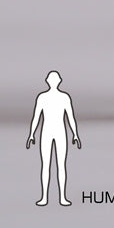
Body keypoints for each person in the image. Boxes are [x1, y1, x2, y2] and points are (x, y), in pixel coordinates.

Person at [26, 70, 81, 205]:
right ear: (49, 81)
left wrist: (75, 134)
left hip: (59, 132)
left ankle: (62, 197)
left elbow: (70, 118)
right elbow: (36, 117)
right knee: (46, 165)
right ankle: (44, 197)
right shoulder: (42, 97)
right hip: (47, 132)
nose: (53, 81)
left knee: (60, 165)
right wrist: (31, 134)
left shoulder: (64, 97)